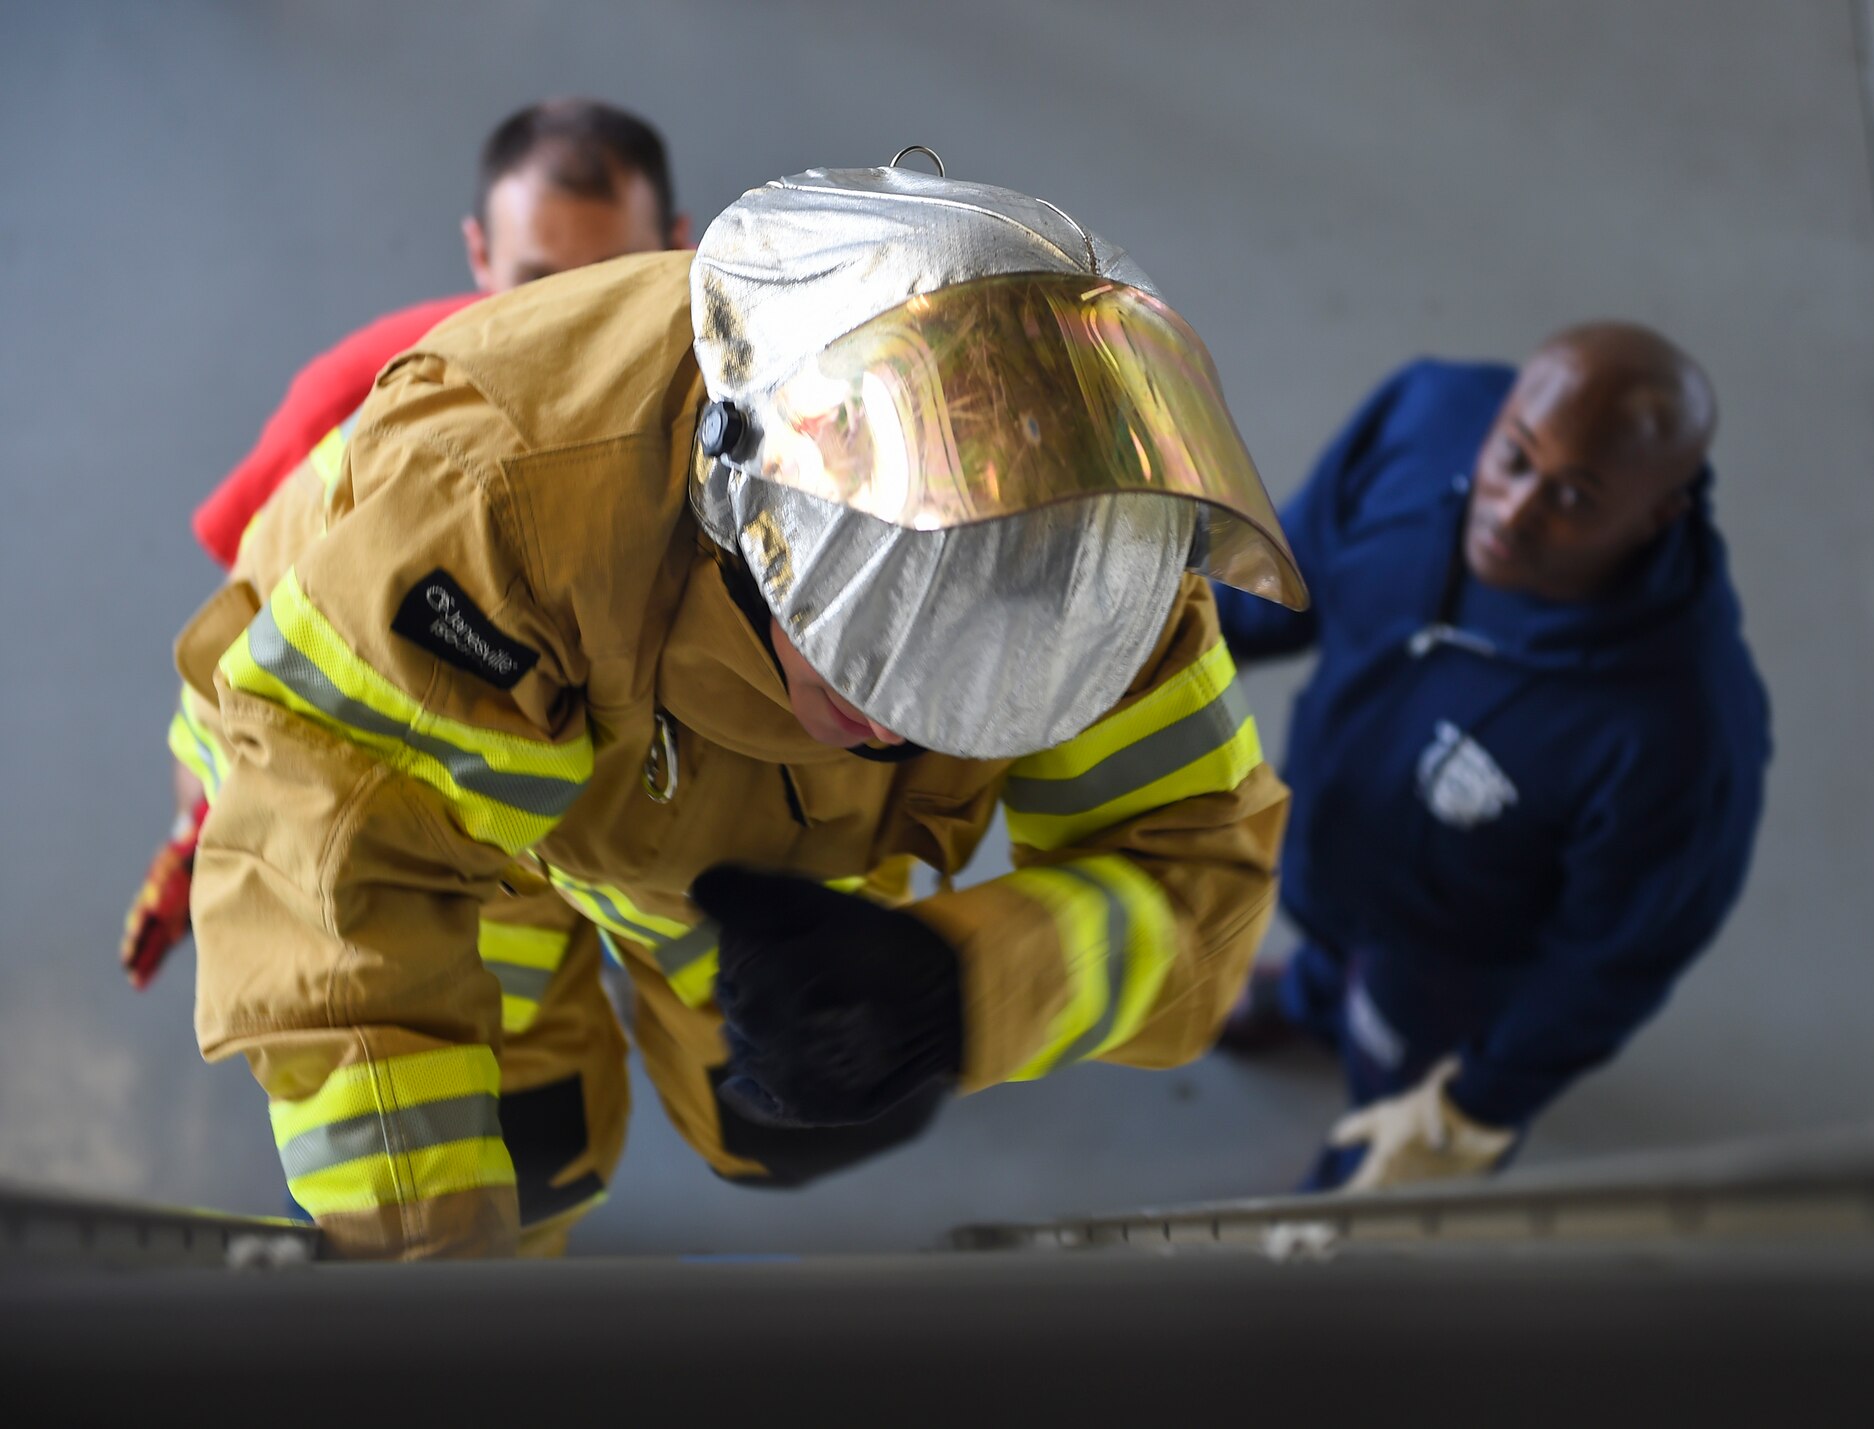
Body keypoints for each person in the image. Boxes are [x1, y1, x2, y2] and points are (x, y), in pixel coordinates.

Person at [177, 155, 1300, 1259]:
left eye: (975, 698)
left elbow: (1197, 873)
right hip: (423, 783)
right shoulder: (499, 492)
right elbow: (337, 901)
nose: (901, 733)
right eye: (863, 674)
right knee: (518, 1150)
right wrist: (426, 1307)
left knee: (775, 1121)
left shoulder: (1094, 555)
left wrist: (952, 992)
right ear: (740, 524)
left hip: (709, 843)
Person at [124, 98, 682, 991]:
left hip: (668, 866)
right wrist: (216, 821)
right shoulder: (362, 395)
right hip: (474, 890)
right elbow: (247, 625)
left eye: (615, 277)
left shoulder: (749, 412)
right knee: (535, 1120)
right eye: (539, 281)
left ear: (680, 250)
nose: (577, 319)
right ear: (478, 255)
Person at [1214, 324, 1770, 1193]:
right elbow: (1286, 575)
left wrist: (1479, 1104)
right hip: (1336, 854)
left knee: (1397, 1095)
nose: (1513, 511)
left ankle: (1354, 1198)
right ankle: (1318, 995)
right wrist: (1145, 644)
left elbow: (1616, 957)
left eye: (1576, 496)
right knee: (1334, 946)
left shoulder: (1676, 735)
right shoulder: (1423, 418)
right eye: (1514, 455)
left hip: (1448, 970)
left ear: (1659, 513)